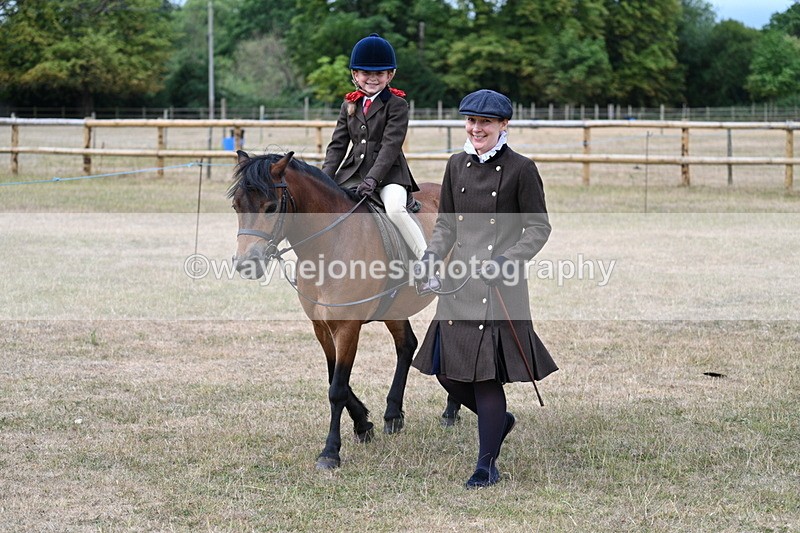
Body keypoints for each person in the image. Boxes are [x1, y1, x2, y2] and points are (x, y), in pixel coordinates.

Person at [411, 89, 558, 488]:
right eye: (472, 122)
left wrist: (508, 260)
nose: (477, 129)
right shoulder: (456, 164)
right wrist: (430, 257)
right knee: (447, 373)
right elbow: (446, 226)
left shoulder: (522, 169)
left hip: (498, 285)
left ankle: (486, 464)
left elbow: (539, 228)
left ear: (503, 125)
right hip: (458, 283)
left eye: (486, 123)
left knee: (484, 377)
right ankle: (499, 422)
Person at [321, 33, 427, 260]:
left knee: (396, 211)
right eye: (366, 73)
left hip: (389, 175)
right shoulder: (349, 104)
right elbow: (337, 145)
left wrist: (373, 178)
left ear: (390, 75)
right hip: (352, 173)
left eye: (379, 73)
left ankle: (426, 261)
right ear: (355, 75)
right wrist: (324, 177)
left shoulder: (397, 105)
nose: (372, 78)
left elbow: (391, 146)